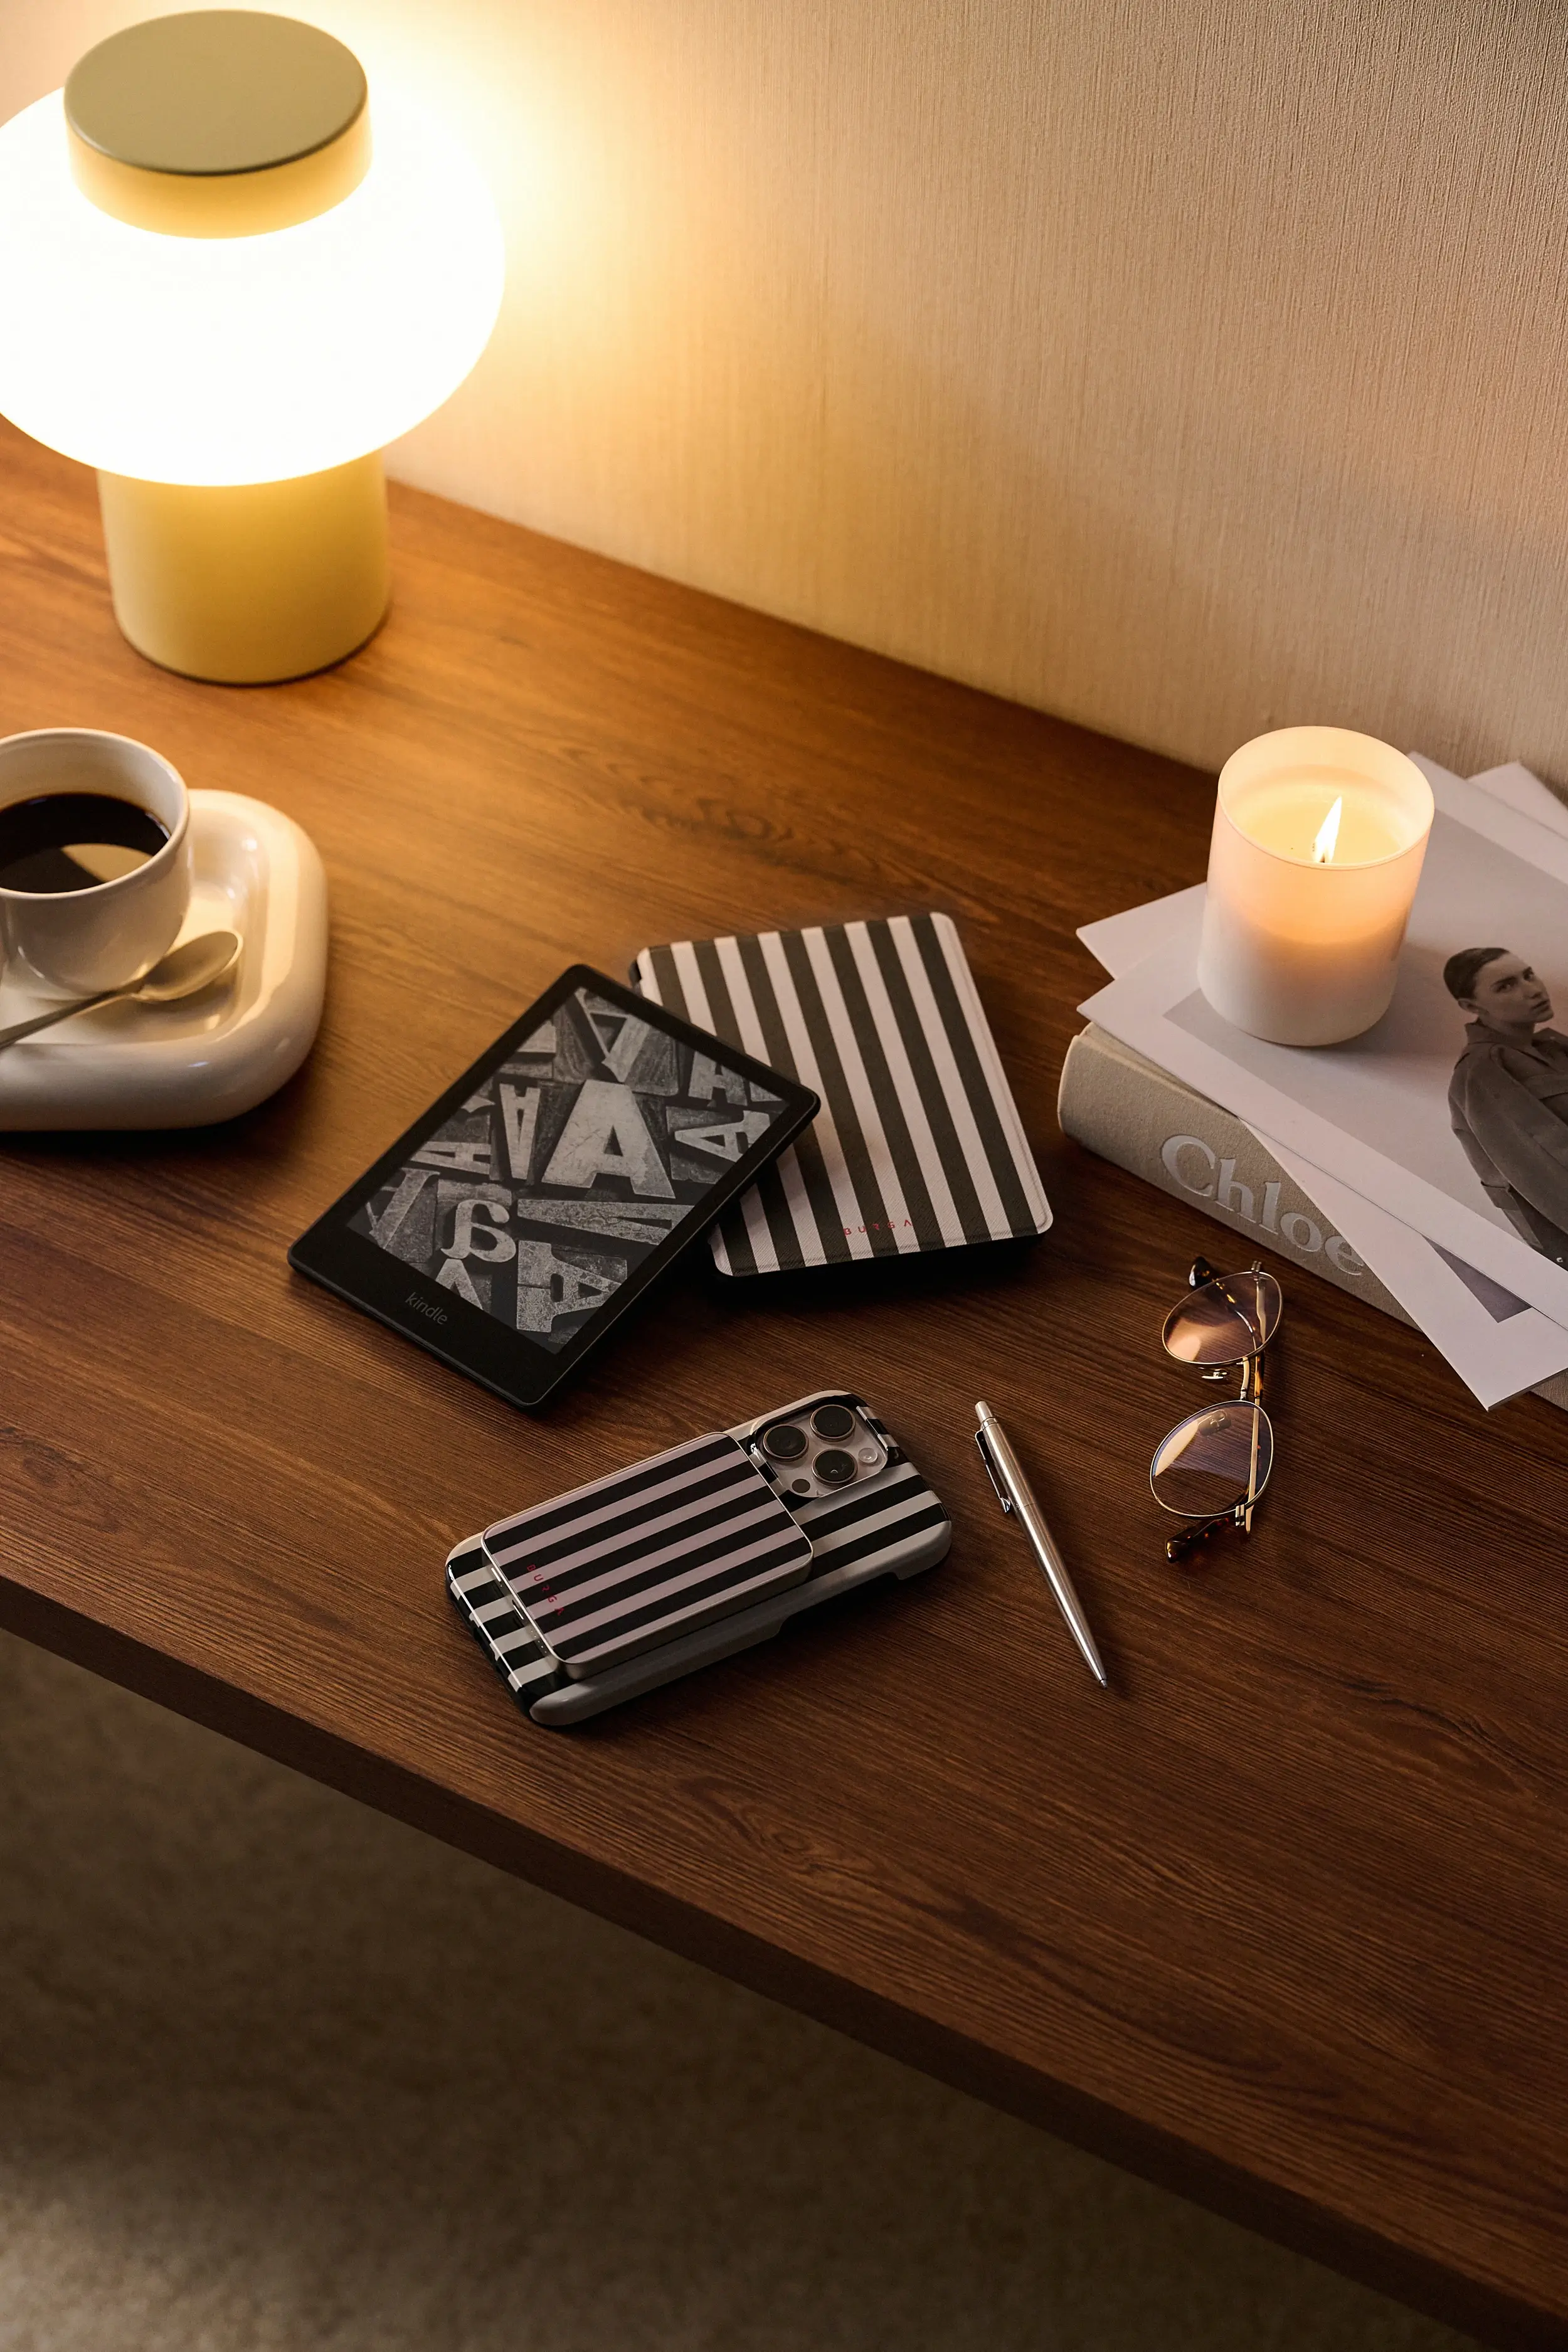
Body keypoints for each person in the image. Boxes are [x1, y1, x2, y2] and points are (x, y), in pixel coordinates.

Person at [1444, 946, 1568, 1264]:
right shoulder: (1483, 1072)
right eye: (1506, 986)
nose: (1533, 990)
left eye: (1527, 975)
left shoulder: (1552, 1049)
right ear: (1471, 1006)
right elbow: (1545, 1170)